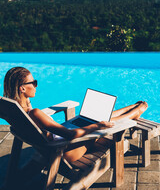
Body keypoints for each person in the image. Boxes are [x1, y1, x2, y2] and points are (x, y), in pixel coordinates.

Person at [3, 67, 148, 163]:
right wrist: (97, 126)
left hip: (54, 143)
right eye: (33, 82)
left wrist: (26, 100)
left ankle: (131, 108)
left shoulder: (14, 111)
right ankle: (135, 112)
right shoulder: (34, 113)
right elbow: (70, 135)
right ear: (22, 88)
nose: (36, 85)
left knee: (95, 117)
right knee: (103, 122)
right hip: (67, 150)